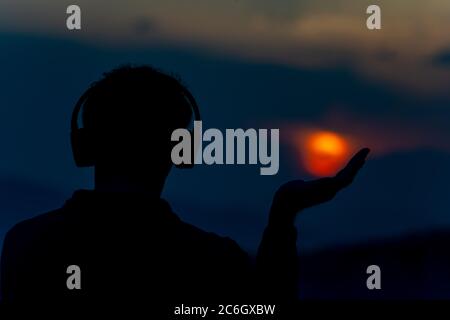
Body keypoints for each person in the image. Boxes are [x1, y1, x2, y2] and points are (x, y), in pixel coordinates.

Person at [0, 65, 369, 309]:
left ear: (84, 145)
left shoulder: (26, 244)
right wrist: (283, 217)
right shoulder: (212, 260)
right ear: (183, 149)